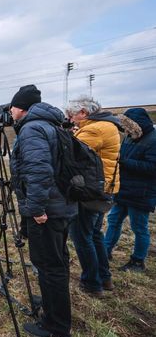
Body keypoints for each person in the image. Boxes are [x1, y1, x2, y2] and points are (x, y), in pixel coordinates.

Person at [9, 84, 76, 337]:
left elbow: (38, 171)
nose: (10, 110)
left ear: (22, 108)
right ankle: (51, 304)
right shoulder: (50, 124)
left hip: (47, 210)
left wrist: (36, 209)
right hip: (61, 205)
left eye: (13, 106)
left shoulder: (32, 129)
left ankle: (56, 326)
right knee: (56, 262)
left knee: (49, 266)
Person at [66, 97, 121, 297]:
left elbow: (72, 155)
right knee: (95, 234)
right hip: (104, 188)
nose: (70, 119)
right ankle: (104, 277)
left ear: (83, 112)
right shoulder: (106, 125)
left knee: (82, 237)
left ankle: (92, 283)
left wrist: (67, 136)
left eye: (71, 115)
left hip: (90, 191)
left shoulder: (94, 130)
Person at [104, 108, 156, 272]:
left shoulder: (153, 140)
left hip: (142, 193)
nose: (125, 130)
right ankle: (105, 251)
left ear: (136, 124)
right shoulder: (130, 137)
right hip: (123, 189)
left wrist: (124, 162)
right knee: (113, 220)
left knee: (139, 227)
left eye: (128, 126)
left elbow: (152, 168)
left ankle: (138, 261)